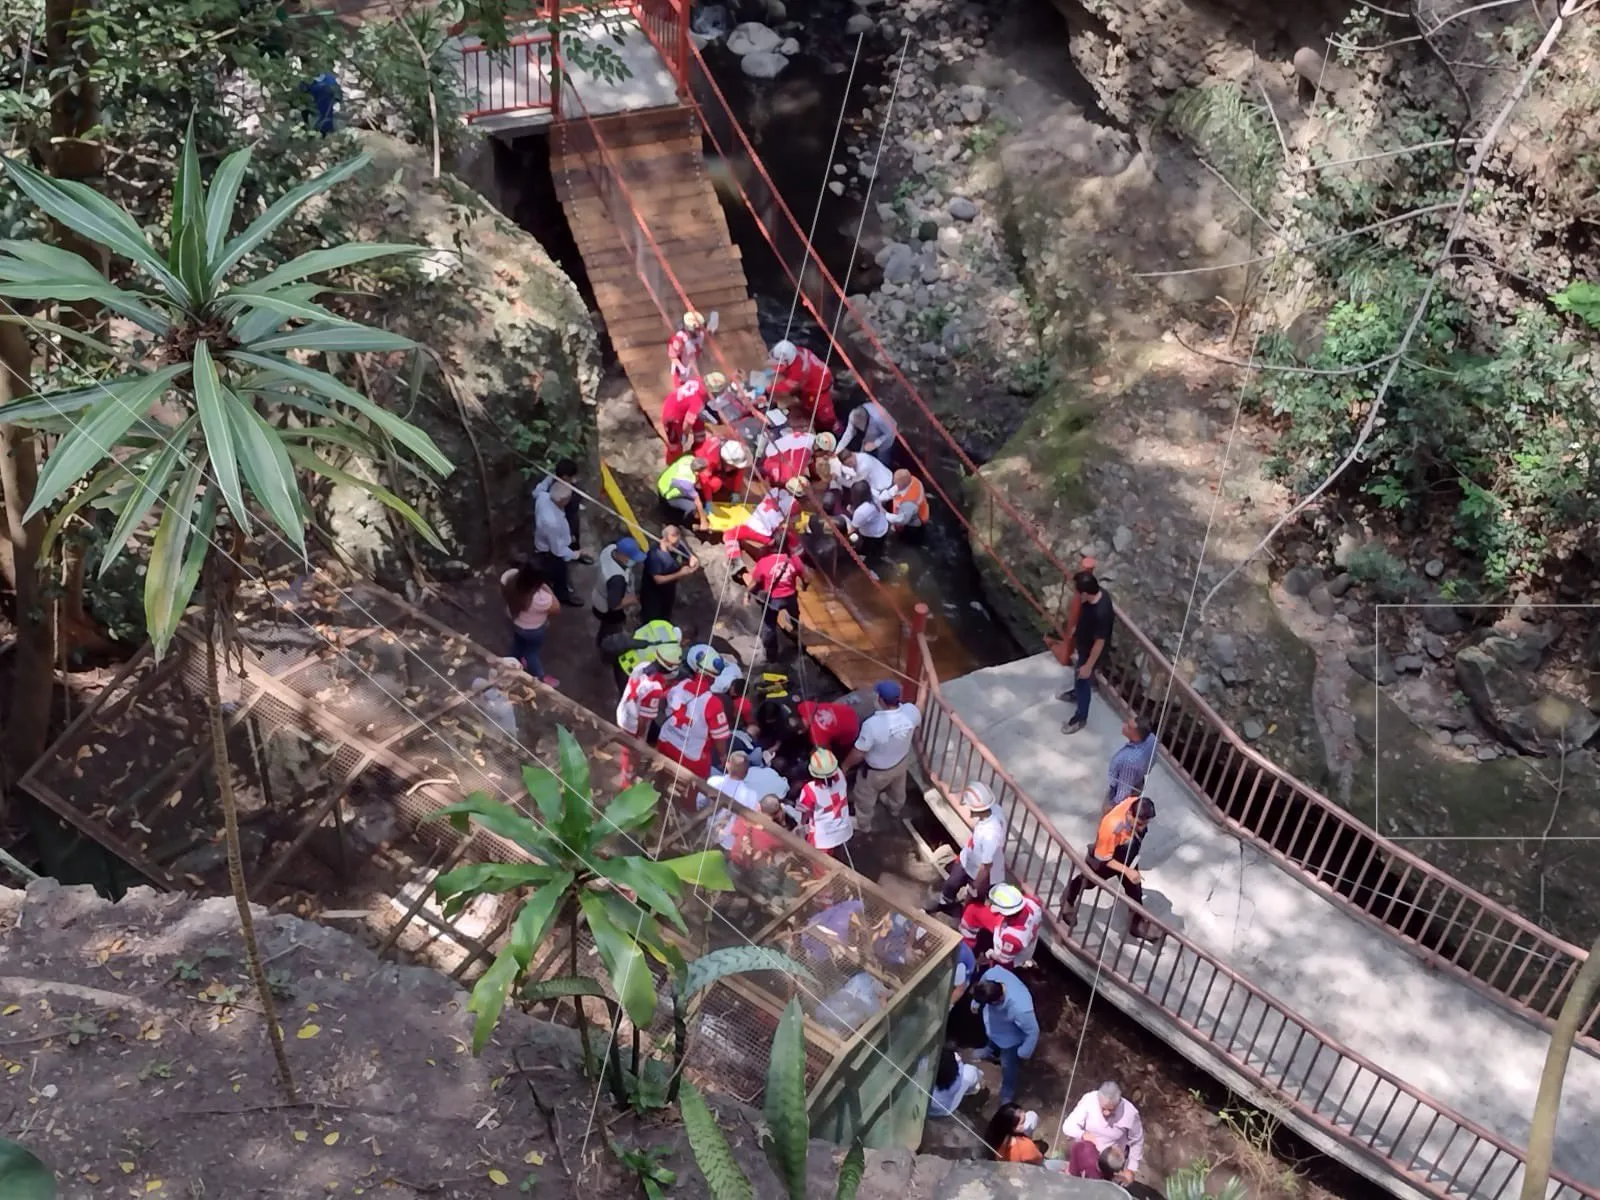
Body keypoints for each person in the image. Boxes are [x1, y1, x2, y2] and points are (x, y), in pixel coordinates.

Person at [1060, 794, 1159, 941]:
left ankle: (1137, 924)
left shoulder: (1136, 804)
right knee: (1088, 881)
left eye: (1145, 824)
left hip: (1127, 853)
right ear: (1130, 815)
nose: (1142, 828)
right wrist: (1126, 870)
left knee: (1135, 889)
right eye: (1139, 824)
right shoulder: (1111, 826)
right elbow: (1103, 857)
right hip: (1106, 857)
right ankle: (1067, 900)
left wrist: (1129, 870)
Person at [842, 679, 919, 832]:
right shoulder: (911, 712)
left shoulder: (872, 725)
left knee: (864, 795)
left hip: (876, 772)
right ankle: (895, 808)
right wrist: (923, 689)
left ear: (881, 700)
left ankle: (863, 823)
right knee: (898, 787)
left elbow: (859, 752)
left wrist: (845, 766)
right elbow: (920, 708)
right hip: (901, 762)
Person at [656, 644, 732, 782]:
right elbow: (719, 738)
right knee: (692, 793)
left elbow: (664, 701)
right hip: (692, 759)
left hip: (666, 742)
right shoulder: (713, 703)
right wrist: (723, 756)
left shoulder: (680, 685)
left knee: (660, 778)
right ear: (713, 678)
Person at [933, 781, 1007, 911]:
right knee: (951, 884)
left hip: (979, 872)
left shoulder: (990, 836)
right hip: (968, 860)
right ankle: (945, 902)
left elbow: (985, 867)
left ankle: (967, 917)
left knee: (975, 900)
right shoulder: (994, 810)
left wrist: (975, 886)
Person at [1057, 570, 1115, 735]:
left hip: (1091, 652)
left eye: (1077, 592)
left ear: (1084, 593)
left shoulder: (1101, 613)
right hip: (1084, 644)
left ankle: (1080, 717)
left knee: (1083, 679)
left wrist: (1089, 665)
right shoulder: (1098, 595)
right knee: (1079, 675)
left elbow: (1100, 642)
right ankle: (1076, 693)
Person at [971, 967, 1038, 1106]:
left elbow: (1033, 1031)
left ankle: (1007, 1091)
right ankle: (989, 1051)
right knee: (992, 1038)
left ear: (998, 1000)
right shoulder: (992, 975)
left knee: (1008, 1066)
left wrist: (1024, 1051)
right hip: (995, 1026)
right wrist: (976, 1001)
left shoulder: (1020, 1008)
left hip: (1010, 1040)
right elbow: (982, 981)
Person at [1061, 1081, 1144, 1186]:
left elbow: (1137, 1141)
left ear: (1118, 1103)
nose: (1106, 1113)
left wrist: (1132, 1168)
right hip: (1086, 1152)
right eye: (1103, 1109)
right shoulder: (1089, 1100)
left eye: (1111, 1110)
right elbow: (1067, 1126)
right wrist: (1083, 1134)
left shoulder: (1130, 1113)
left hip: (1110, 1162)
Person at [747, 536, 806, 661]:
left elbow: (755, 582)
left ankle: (771, 654)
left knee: (769, 625)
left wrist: (746, 593)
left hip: (773, 599)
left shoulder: (763, 562)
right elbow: (805, 577)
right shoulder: (794, 560)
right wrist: (804, 586)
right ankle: (796, 632)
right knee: (795, 615)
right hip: (790, 596)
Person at [615, 640, 683, 747]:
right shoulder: (655, 688)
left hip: (623, 712)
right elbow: (643, 719)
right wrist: (640, 739)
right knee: (632, 756)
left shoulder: (642, 665)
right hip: (633, 726)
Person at [500, 563, 559, 685]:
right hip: (534, 630)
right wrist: (546, 587)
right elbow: (556, 608)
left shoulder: (510, 580)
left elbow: (504, 583)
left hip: (515, 622)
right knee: (531, 653)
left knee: (517, 645)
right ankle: (540, 677)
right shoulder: (541, 598)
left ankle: (511, 665)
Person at [723, 476, 807, 561]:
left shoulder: (774, 491)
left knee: (729, 534)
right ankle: (798, 556)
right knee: (790, 532)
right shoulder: (794, 505)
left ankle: (735, 559)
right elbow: (793, 523)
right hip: (765, 535)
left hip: (750, 525)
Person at [962, 883, 1043, 970]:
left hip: (1011, 957)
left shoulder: (1012, 937)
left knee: (998, 967)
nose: (990, 906)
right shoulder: (1033, 903)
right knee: (973, 911)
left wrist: (990, 954)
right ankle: (967, 944)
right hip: (1009, 924)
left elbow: (1003, 960)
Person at [768, 339, 836, 432]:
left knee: (825, 415)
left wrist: (768, 387)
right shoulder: (796, 352)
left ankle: (833, 429)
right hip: (818, 376)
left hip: (819, 389)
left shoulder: (798, 371)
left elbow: (786, 387)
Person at [533, 481, 584, 604]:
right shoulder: (553, 523)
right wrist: (577, 554)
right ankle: (562, 596)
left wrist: (550, 476)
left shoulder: (543, 497)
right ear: (563, 501)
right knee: (560, 574)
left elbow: (538, 489)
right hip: (550, 552)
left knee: (549, 571)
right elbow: (558, 550)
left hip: (543, 541)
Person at [797, 748, 852, 859]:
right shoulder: (841, 776)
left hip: (822, 837)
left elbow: (805, 813)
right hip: (843, 828)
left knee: (819, 865)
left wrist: (802, 825)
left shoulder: (810, 789)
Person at [591, 536, 646, 648]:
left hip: (598, 594)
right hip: (607, 609)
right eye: (631, 558)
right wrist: (634, 598)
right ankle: (606, 648)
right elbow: (614, 605)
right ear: (622, 555)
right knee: (610, 631)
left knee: (604, 628)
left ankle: (602, 641)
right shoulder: (617, 578)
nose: (633, 561)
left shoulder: (610, 549)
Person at [640, 525, 699, 624]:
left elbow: (691, 556)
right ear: (665, 540)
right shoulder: (655, 556)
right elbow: (658, 580)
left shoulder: (678, 544)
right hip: (653, 594)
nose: (677, 546)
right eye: (674, 544)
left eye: (678, 542)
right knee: (652, 620)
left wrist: (693, 560)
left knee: (666, 616)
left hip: (669, 590)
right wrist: (680, 574)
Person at [1106, 715, 1158, 809]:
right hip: (1139, 781)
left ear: (1136, 735)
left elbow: (1122, 793)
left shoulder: (1129, 761)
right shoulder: (1152, 739)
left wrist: (1111, 807)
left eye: (1128, 727)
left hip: (1123, 790)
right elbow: (1153, 760)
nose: (1124, 725)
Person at [533, 458, 582, 548]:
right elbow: (572, 516)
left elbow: (536, 493)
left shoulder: (547, 483)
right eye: (572, 476)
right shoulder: (573, 494)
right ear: (566, 477)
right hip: (560, 526)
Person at [928, 1043, 985, 1119]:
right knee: (975, 1079)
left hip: (929, 1109)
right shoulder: (968, 1073)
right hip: (945, 1111)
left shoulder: (924, 1079)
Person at [657, 453, 711, 530]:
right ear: (697, 472)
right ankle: (687, 524)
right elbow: (697, 501)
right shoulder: (686, 482)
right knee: (692, 506)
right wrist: (703, 521)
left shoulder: (688, 458)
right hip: (668, 495)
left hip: (663, 482)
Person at [661, 375, 709, 461]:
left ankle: (696, 454)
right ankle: (673, 463)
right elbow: (688, 422)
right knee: (675, 444)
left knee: (700, 436)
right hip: (672, 418)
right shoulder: (698, 402)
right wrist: (684, 435)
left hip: (674, 403)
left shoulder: (698, 381)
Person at [795, 696, 860, 757]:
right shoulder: (804, 706)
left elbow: (823, 751)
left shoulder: (817, 737)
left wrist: (810, 755)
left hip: (852, 729)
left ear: (801, 731)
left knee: (838, 747)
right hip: (847, 711)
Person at [843, 481, 890, 562]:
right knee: (879, 546)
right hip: (883, 525)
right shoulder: (874, 494)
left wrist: (844, 538)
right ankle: (880, 553)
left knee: (870, 550)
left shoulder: (862, 512)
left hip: (873, 535)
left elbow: (853, 528)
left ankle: (871, 560)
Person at [668, 309, 707, 386]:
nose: (699, 331)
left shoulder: (701, 335)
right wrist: (682, 369)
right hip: (681, 372)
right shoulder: (679, 339)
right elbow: (673, 357)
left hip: (694, 368)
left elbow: (699, 350)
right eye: (697, 329)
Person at [885, 469, 928, 536]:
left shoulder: (909, 503)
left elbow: (902, 520)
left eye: (896, 484)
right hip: (915, 511)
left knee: (907, 535)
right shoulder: (912, 480)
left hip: (914, 523)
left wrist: (885, 514)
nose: (894, 484)